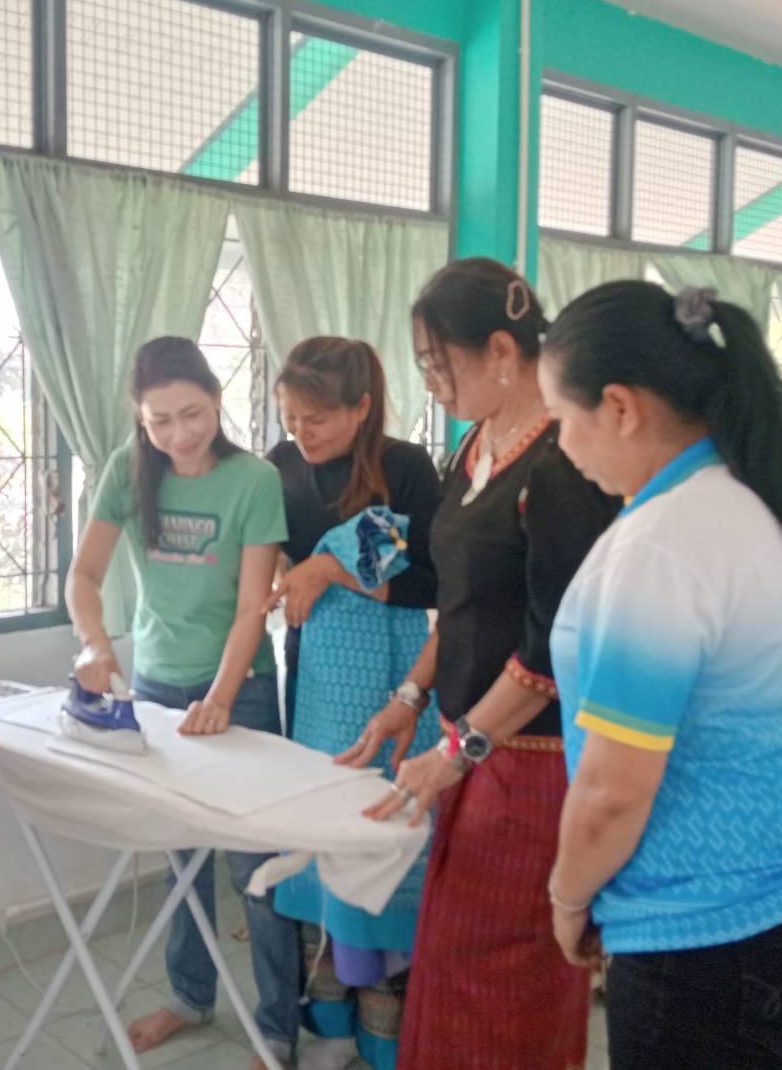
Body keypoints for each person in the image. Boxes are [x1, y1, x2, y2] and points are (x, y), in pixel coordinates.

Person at [541, 282, 782, 1070]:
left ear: (620, 407)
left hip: (709, 950)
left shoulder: (661, 547)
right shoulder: (760, 497)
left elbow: (613, 792)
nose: (563, 445)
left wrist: (568, 896)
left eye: (561, 419)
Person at [344, 259, 620, 1069]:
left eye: (440, 364)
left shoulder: (562, 464)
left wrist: (458, 749)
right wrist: (411, 695)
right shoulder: (475, 446)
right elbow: (463, 602)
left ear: (501, 350)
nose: (431, 383)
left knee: (506, 982)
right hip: (469, 747)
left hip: (531, 765)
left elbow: (551, 645)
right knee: (453, 970)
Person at [66, 336, 301, 1069]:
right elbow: (83, 576)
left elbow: (252, 606)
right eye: (159, 421)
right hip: (158, 687)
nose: (179, 434)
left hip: (241, 687)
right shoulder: (126, 470)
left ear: (218, 401)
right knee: (183, 862)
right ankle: (191, 998)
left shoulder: (253, 480)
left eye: (192, 414)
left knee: (257, 871)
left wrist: (222, 697)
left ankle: (277, 1028)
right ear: (140, 420)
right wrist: (96, 646)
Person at [262, 337, 442, 1070]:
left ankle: (386, 1029)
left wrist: (331, 569)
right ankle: (330, 1020)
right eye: (291, 418)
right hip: (315, 679)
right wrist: (292, 571)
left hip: (394, 679)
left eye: (318, 420)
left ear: (362, 408)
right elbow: (267, 561)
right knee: (319, 835)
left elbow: (434, 582)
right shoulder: (279, 466)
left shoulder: (406, 467)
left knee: (383, 839)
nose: (301, 434)